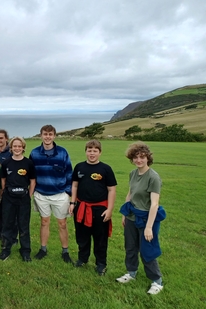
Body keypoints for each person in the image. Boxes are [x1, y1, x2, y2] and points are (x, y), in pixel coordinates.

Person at [116, 142, 166, 295]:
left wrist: (149, 227)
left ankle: (157, 281)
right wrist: (125, 214)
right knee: (130, 247)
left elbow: (154, 204)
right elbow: (130, 194)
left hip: (146, 219)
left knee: (147, 250)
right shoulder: (133, 173)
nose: (139, 160)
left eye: (142, 157)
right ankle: (131, 273)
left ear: (147, 158)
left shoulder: (153, 177)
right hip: (132, 216)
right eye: (136, 157)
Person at [69, 140, 117, 275]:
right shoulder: (79, 167)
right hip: (82, 207)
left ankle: (101, 264)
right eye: (89, 150)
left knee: (100, 238)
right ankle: (82, 259)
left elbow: (111, 190)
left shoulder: (106, 169)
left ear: (100, 152)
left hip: (100, 209)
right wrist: (72, 203)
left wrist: (110, 209)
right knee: (82, 235)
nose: (92, 153)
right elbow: (75, 186)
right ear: (86, 152)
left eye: (95, 151)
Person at [29, 124, 74, 263]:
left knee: (62, 223)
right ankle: (43, 249)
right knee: (44, 222)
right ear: (41, 135)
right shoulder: (34, 153)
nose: (47, 137)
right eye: (45, 134)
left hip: (60, 194)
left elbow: (69, 173)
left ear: (54, 136)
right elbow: (31, 174)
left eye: (50, 134)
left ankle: (65, 251)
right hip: (41, 194)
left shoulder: (62, 152)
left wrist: (67, 192)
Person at [0, 137, 36, 262]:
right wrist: (5, 193)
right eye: (15, 146)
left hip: (23, 198)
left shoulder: (28, 163)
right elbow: (3, 180)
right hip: (9, 198)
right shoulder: (6, 163)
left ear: (23, 147)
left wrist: (29, 195)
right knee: (7, 225)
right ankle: (5, 250)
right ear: (11, 147)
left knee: (23, 226)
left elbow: (32, 181)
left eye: (19, 146)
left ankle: (25, 251)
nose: (17, 148)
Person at [0, 129, 11, 241]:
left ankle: (10, 237)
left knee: (9, 214)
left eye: (1, 138)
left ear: (6, 138)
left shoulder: (11, 152)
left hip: (8, 187)